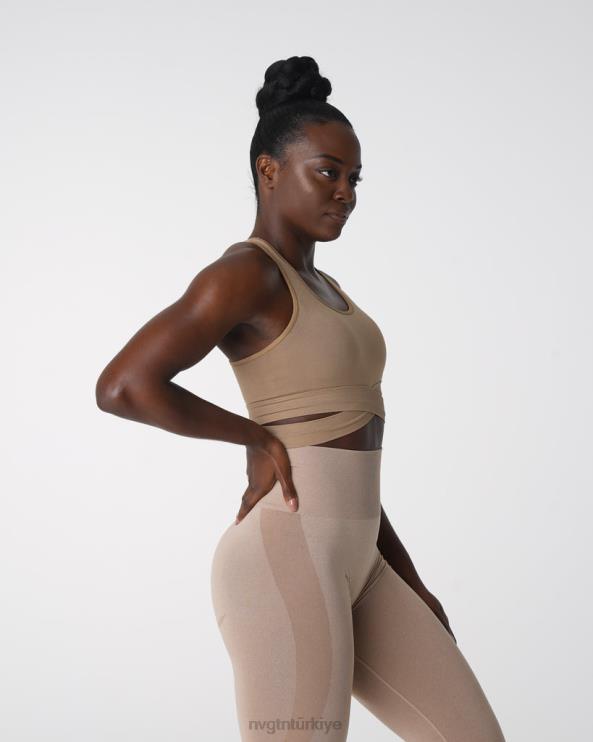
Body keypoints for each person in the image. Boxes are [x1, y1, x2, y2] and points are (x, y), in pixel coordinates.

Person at [96, 55, 506, 742]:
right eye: (327, 172)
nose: (345, 192)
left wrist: (409, 581)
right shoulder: (245, 274)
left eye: (354, 179)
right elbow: (123, 385)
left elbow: (352, 452)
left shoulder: (330, 290)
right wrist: (255, 437)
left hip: (364, 560)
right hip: (286, 556)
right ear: (269, 170)